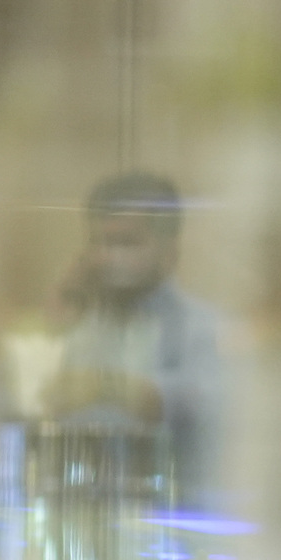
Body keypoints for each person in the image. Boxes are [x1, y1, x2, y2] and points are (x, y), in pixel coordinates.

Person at [44, 171, 225, 508]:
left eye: (125, 243)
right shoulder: (79, 326)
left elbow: (198, 407)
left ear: (170, 250)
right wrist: (58, 322)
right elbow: (23, 405)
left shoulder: (202, 327)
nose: (106, 257)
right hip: (82, 514)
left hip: (174, 517)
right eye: (97, 242)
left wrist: (105, 388)